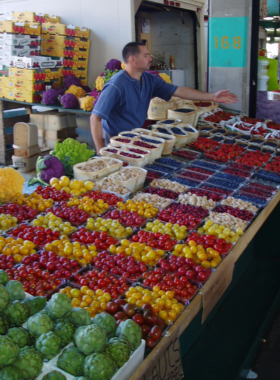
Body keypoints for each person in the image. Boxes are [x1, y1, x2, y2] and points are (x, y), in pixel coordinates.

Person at [90, 42, 238, 153]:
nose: (150, 58)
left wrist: (212, 96)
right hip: (116, 145)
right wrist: (101, 151)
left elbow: (179, 91)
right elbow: (95, 118)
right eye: (146, 55)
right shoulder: (117, 85)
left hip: (136, 140)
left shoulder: (149, 80)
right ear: (133, 60)